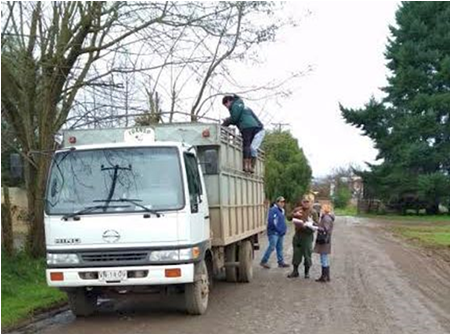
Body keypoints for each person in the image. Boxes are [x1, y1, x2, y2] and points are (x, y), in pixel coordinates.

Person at [222, 95, 264, 173]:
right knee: (250, 147)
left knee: (246, 145)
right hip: (255, 127)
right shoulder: (243, 106)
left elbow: (234, 118)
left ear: (228, 101)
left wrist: (224, 124)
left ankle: (246, 165)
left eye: (225, 105)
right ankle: (250, 166)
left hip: (246, 127)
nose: (226, 107)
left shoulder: (234, 106)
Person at [288, 194, 319, 279]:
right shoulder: (298, 209)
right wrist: (295, 214)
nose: (305, 203)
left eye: (307, 202)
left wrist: (310, 223)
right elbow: (288, 217)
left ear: (310, 203)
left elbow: (317, 225)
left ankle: (307, 272)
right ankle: (295, 271)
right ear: (302, 202)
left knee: (307, 254)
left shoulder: (313, 212)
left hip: (307, 236)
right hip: (298, 235)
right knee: (296, 253)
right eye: (304, 201)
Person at [260, 196, 290, 269]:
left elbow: (282, 221)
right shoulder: (273, 210)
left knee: (279, 248)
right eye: (281, 202)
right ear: (277, 202)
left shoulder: (282, 210)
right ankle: (264, 261)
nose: (282, 203)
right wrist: (278, 229)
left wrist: (283, 229)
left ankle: (280, 262)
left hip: (280, 233)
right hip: (274, 232)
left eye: (283, 202)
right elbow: (272, 221)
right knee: (272, 246)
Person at [314, 204, 335, 282]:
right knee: (324, 257)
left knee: (324, 258)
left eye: (322, 208)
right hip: (326, 240)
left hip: (324, 240)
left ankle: (324, 277)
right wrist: (315, 224)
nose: (320, 210)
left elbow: (325, 229)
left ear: (325, 210)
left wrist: (316, 227)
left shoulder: (326, 218)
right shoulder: (327, 217)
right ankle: (327, 276)